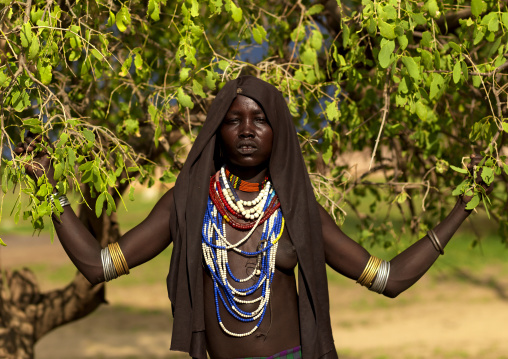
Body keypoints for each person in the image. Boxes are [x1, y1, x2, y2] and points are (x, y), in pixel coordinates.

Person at [15, 76, 490, 359]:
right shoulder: (187, 203)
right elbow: (98, 266)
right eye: (234, 119)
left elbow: (388, 278)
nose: (246, 130)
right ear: (216, 130)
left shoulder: (298, 212)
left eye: (259, 119)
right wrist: (49, 191)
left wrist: (461, 209)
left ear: (277, 130)